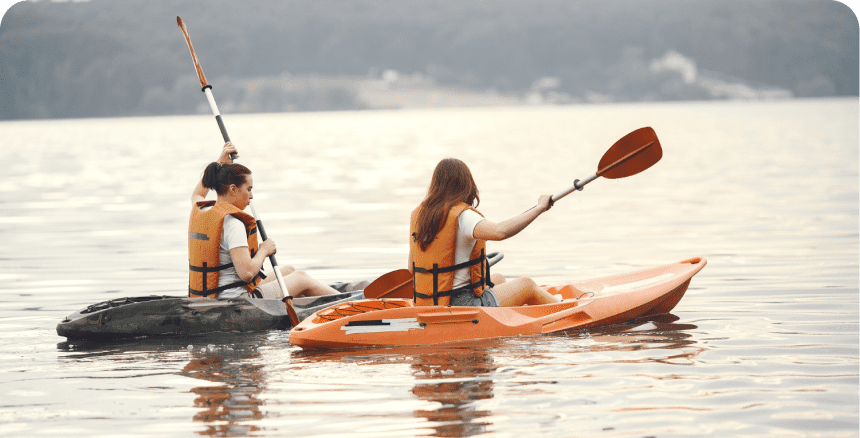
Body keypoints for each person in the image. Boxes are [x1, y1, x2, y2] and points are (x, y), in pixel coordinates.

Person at [189, 141, 339, 299]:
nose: (251, 196)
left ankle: (308, 305)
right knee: (301, 278)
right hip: (239, 301)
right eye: (248, 189)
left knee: (289, 271)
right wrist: (264, 250)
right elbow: (247, 273)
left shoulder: (203, 211)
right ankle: (350, 303)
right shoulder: (233, 224)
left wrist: (220, 161)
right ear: (233, 189)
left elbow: (197, 194)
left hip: (214, 296)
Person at [408, 158, 561, 307]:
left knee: (498, 279)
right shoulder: (463, 216)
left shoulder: (419, 216)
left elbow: (411, 268)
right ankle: (562, 306)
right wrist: (540, 208)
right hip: (461, 304)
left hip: (429, 301)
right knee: (526, 284)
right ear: (466, 184)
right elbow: (500, 232)